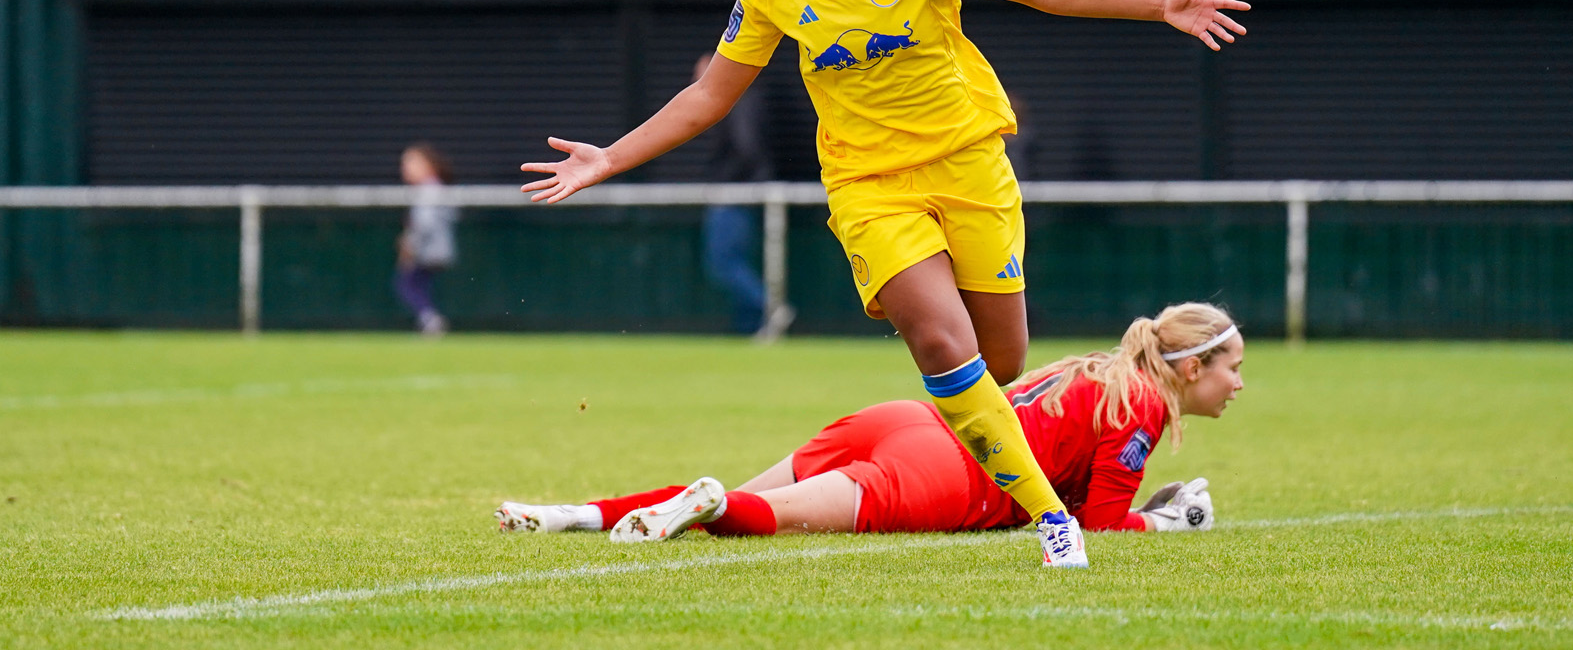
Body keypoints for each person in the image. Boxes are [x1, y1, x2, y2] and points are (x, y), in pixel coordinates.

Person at [522, 0, 1250, 568]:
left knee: (1002, 363)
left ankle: (980, 472)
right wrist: (610, 156)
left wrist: (1159, 4)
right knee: (940, 342)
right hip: (868, 187)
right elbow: (709, 96)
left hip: (969, 168)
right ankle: (1052, 521)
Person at [494, 302, 1241, 540]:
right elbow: (1103, 524)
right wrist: (1174, 521)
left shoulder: (1091, 369)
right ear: (1187, 369)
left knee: (737, 502)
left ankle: (569, 515)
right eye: (1231, 366)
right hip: (946, 477)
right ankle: (710, 501)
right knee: (755, 514)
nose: (1238, 384)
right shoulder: (1141, 404)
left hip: (901, 421)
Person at [692, 52, 794, 340]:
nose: (694, 81)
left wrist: (727, 181)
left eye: (700, 74)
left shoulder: (738, 102)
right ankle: (755, 323)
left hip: (735, 192)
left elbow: (747, 148)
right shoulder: (748, 101)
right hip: (741, 190)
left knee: (724, 262)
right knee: (730, 261)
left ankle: (770, 308)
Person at [394, 143, 457, 337]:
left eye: (411, 163)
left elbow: (425, 223)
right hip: (436, 249)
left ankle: (430, 319)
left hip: (429, 250)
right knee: (415, 284)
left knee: (407, 284)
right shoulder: (434, 188)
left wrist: (410, 244)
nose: (406, 168)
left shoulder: (430, 189)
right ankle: (429, 318)